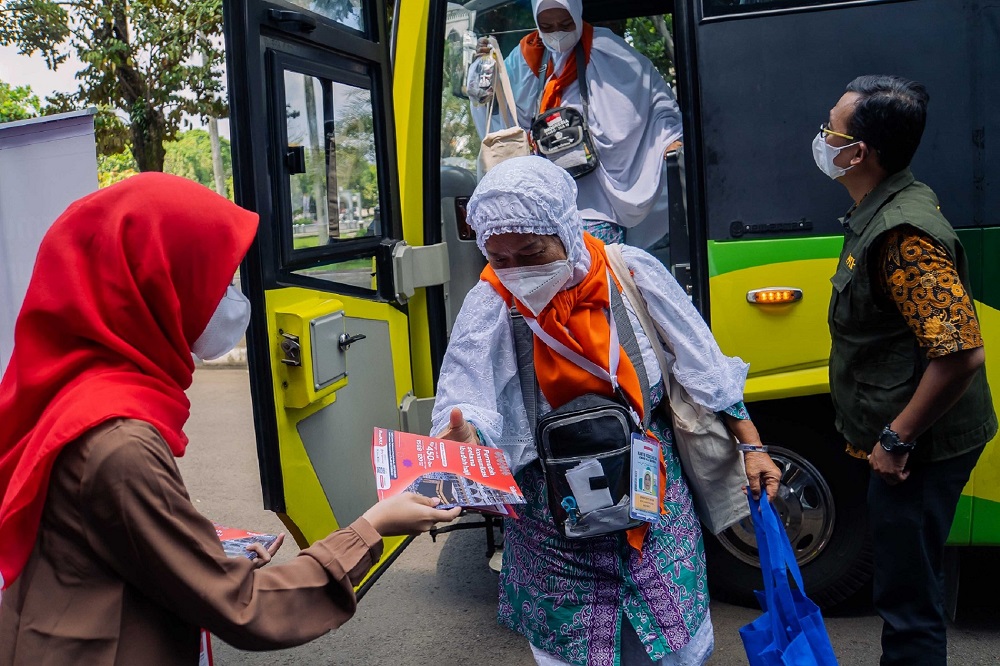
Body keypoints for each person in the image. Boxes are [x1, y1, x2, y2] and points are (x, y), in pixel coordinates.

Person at [0, 173, 461, 664]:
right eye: (217, 282)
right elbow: (242, 606)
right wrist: (372, 527)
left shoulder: (74, 389)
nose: (232, 300)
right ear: (158, 286)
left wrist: (192, 545)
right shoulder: (118, 441)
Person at [432, 156, 782, 666]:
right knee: (572, 649)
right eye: (498, 257)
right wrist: (465, 439)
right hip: (550, 515)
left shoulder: (630, 273)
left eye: (531, 252)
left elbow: (702, 365)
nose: (516, 271)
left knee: (675, 641)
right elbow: (468, 389)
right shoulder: (490, 300)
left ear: (564, 232)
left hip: (651, 491)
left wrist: (751, 446)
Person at [817, 75, 996, 665]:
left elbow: (961, 352)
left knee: (908, 604)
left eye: (830, 128)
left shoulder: (902, 235)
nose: (821, 137)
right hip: (913, 441)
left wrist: (897, 438)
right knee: (904, 587)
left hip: (921, 451)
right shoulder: (887, 205)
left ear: (857, 152)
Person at [468, 0, 682, 245]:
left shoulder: (606, 50)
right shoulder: (526, 55)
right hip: (545, 203)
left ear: (578, 14)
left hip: (599, 199)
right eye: (547, 26)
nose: (557, 33)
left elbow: (654, 97)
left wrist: (669, 137)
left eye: (566, 23)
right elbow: (497, 111)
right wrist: (484, 70)